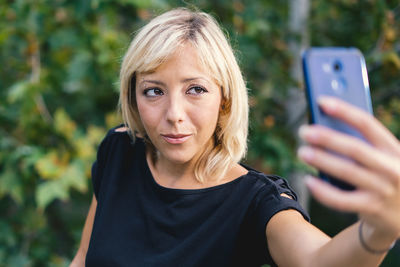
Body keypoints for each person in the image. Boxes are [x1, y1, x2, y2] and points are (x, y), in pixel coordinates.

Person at [71, 7, 399, 267]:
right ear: (133, 97)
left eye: (195, 89)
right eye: (153, 91)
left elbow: (317, 261)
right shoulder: (119, 150)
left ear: (224, 98)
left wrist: (381, 228)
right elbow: (85, 260)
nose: (174, 113)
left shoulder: (256, 202)